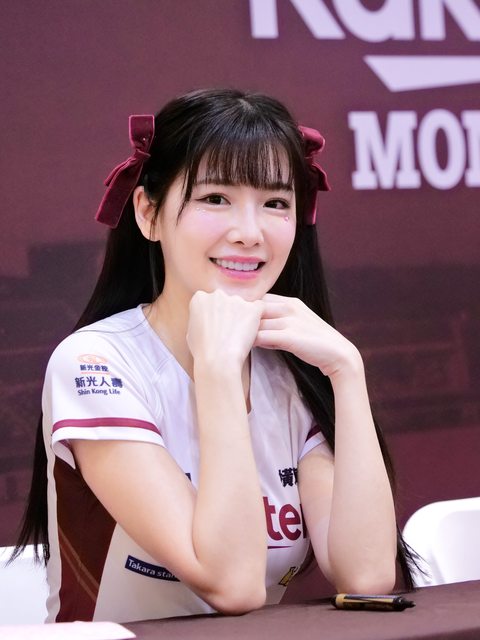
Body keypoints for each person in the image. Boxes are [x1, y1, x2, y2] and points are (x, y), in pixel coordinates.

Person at [15, 88, 414, 623]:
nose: (249, 233)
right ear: (148, 213)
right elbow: (234, 584)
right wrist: (218, 370)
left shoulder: (288, 371)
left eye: (276, 204)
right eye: (215, 199)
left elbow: (367, 574)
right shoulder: (95, 363)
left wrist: (347, 372)